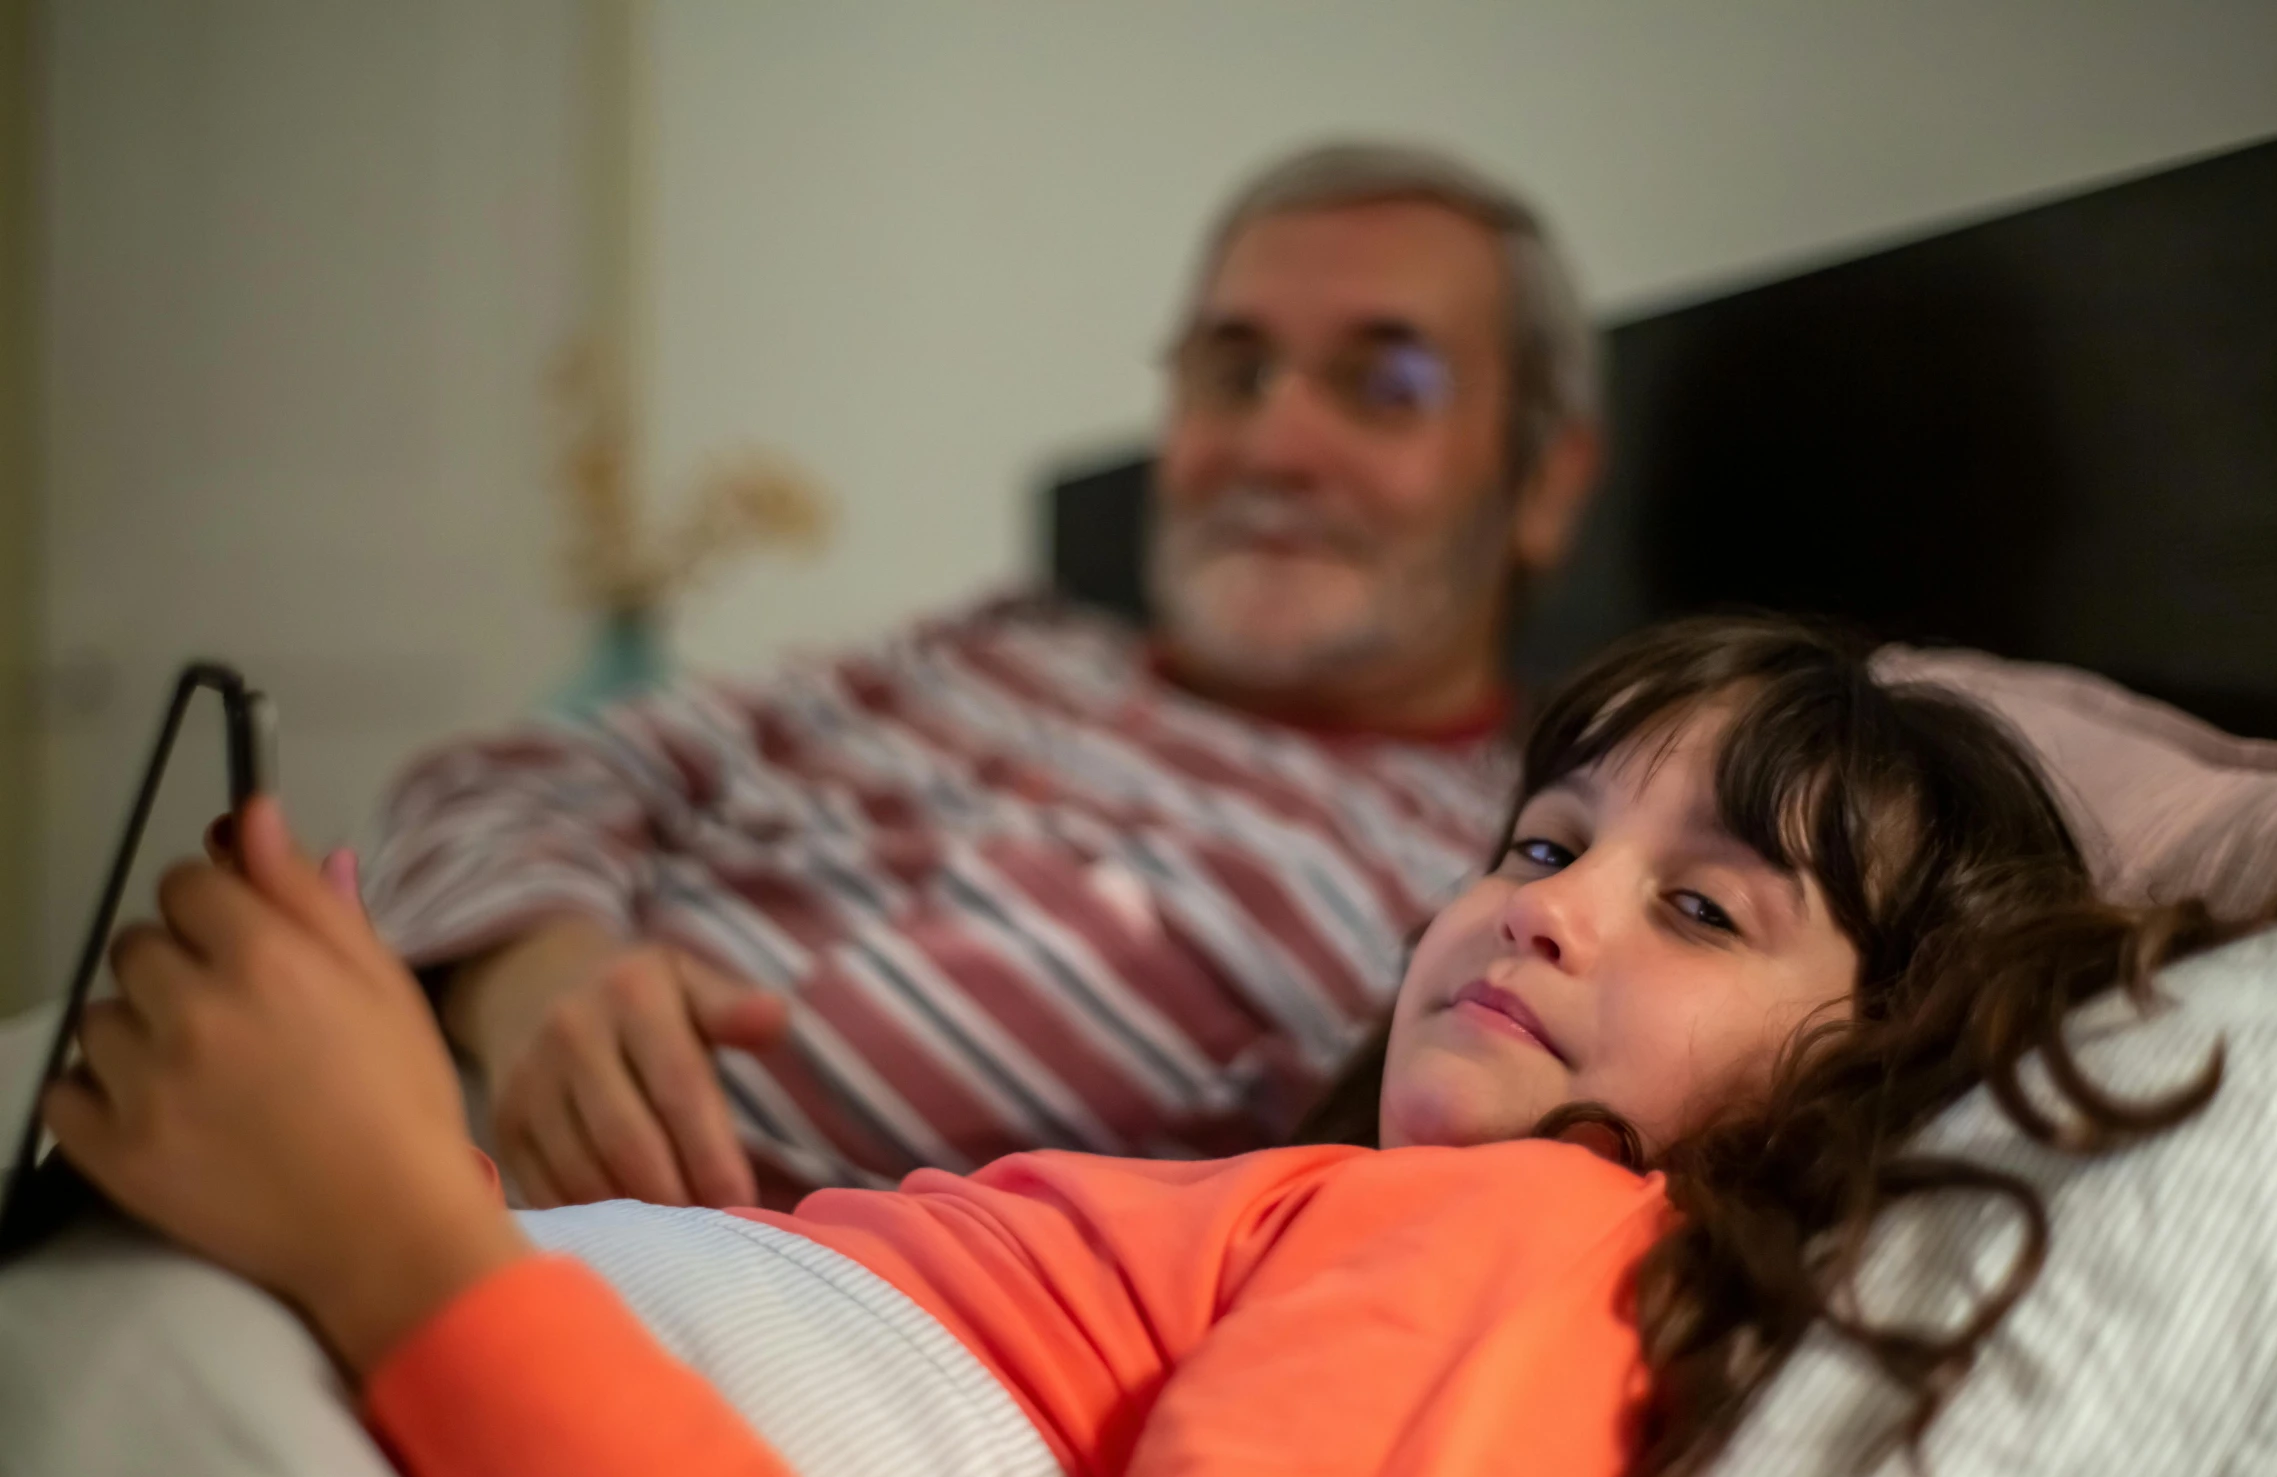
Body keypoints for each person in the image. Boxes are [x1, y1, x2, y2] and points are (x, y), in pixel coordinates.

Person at [47, 617, 2277, 1477]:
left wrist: (387, 1231)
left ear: (1870, 1067)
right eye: (1536, 843)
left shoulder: (1537, 1233)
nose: (1541, 907)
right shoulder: (1326, 1194)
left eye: (1701, 911)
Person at [363, 140, 1606, 1209]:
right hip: (383, 1123)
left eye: (1385, 385)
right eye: (1232, 372)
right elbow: (516, 772)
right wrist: (539, 977)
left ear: (1544, 481)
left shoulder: (1507, 876)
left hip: (627, 1298)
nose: (1274, 443)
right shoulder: (1000, 644)